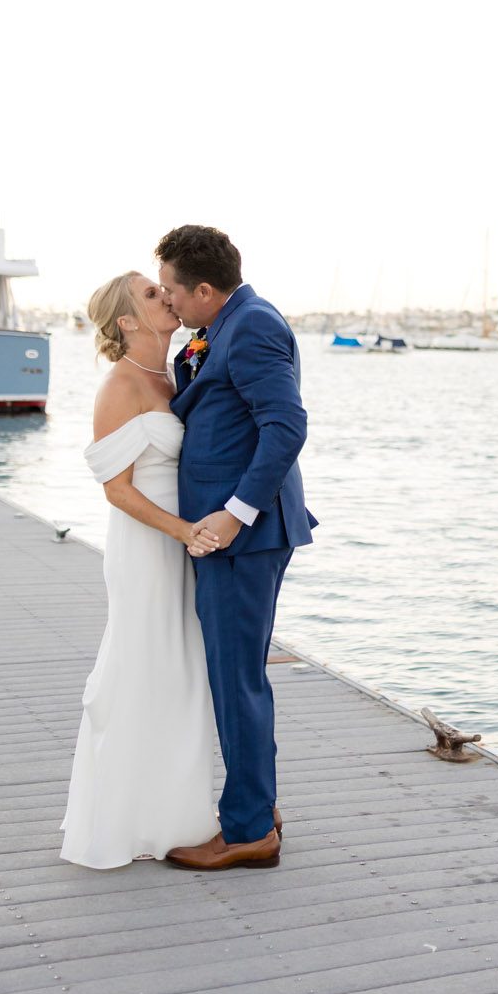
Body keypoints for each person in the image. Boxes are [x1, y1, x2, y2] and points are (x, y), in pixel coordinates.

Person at [157, 224, 315, 871]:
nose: (167, 301)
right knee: (238, 676)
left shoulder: (251, 326)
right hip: (229, 535)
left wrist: (234, 513)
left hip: (241, 538)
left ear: (203, 289)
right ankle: (259, 806)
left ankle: (248, 829)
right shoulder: (223, 325)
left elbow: (287, 425)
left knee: (236, 680)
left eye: (171, 290)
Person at [58, 271, 222, 868]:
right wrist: (183, 532)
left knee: (180, 673)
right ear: (127, 321)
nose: (166, 296)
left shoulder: (172, 374)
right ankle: (129, 819)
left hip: (182, 543)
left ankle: (175, 812)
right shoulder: (120, 385)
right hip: (149, 547)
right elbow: (117, 490)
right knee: (146, 668)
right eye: (152, 294)